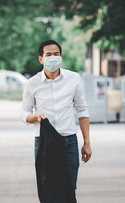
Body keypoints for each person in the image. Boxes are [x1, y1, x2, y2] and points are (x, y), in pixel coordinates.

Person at [20, 40, 92, 197]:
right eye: (48, 55)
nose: (53, 57)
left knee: (68, 188)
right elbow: (24, 113)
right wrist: (35, 116)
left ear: (61, 57)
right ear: (41, 59)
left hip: (69, 142)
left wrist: (86, 143)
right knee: (48, 189)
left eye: (56, 54)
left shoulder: (73, 79)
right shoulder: (32, 84)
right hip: (44, 142)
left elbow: (82, 110)